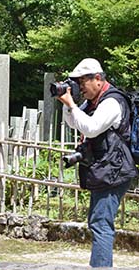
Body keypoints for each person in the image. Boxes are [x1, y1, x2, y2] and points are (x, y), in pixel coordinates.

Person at [57, 58, 137, 268]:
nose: (79, 87)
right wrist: (68, 105)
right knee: (97, 221)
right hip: (106, 169)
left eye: (82, 82)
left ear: (98, 79)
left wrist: (72, 104)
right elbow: (75, 123)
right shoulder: (93, 101)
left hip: (115, 171)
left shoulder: (111, 102)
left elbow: (91, 128)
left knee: (101, 223)